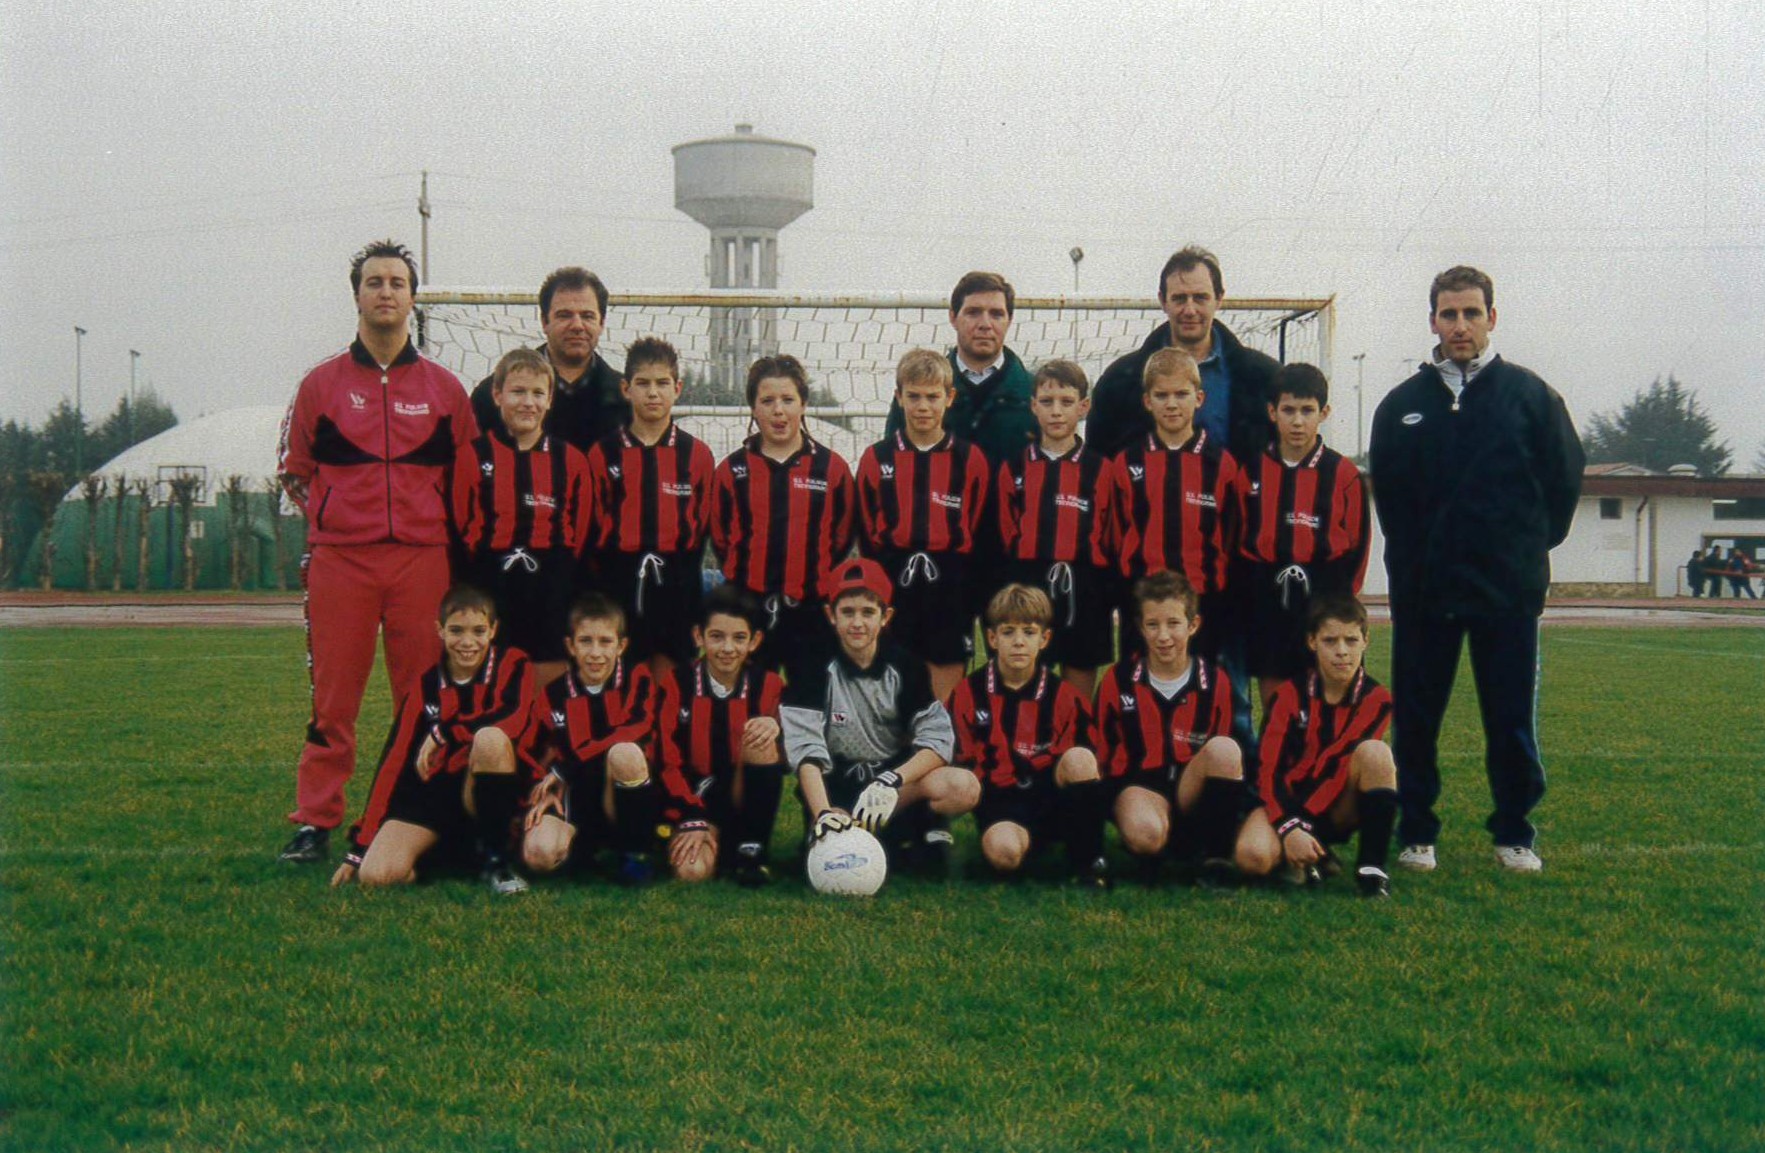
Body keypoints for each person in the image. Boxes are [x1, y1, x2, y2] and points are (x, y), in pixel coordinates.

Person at [1369, 265, 1584, 874]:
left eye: (1471, 313)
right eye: (1449, 314)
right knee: (1416, 721)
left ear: (1492, 317)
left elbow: (1563, 483)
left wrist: (1522, 553)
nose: (1460, 325)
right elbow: (1391, 497)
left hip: (1506, 594)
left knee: (1510, 721)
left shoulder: (1532, 398)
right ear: (1432, 320)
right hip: (1426, 593)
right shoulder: (1402, 406)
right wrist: (1418, 562)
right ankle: (1416, 832)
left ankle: (1514, 832)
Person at [276, 239, 478, 865]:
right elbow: (295, 471)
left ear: (414, 299)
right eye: (374, 282)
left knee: (421, 699)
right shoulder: (320, 385)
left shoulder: (445, 389)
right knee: (333, 702)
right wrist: (338, 522)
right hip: (342, 562)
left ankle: (411, 814)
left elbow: (467, 481)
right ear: (357, 296)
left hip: (422, 561)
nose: (385, 292)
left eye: (397, 282)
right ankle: (315, 822)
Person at [330, 585, 540, 895]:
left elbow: (513, 717)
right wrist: (360, 847)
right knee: (376, 875)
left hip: (477, 787)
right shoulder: (426, 685)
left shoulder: (513, 664)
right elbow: (393, 761)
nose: (467, 642)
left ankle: (497, 862)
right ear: (440, 630)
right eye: (456, 630)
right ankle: (446, 853)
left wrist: (444, 733)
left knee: (491, 738)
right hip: (432, 795)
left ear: (493, 630)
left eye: (478, 630)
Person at [779, 557, 979, 873]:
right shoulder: (811, 667)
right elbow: (806, 752)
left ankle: (925, 828)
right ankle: (839, 829)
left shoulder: (906, 666)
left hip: (890, 792)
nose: (857, 623)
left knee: (962, 785)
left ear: (886, 617)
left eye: (868, 612)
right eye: (848, 612)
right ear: (831, 615)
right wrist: (823, 812)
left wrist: (891, 780)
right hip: (835, 791)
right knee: (836, 855)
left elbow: (939, 739)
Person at [1233, 596, 1398, 898]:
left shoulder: (1377, 699)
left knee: (1376, 755)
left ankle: (1371, 869)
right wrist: (1289, 824)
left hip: (1337, 804)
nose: (1341, 651)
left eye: (1351, 640)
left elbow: (1338, 766)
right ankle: (1308, 858)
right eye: (1330, 641)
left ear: (1365, 641)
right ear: (1312, 642)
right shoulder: (1288, 696)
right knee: (1252, 857)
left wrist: (1303, 826)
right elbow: (1268, 771)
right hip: (1286, 800)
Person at [947, 584, 1110, 888]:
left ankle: (1088, 862)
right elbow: (962, 761)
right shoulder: (968, 694)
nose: (1019, 642)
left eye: (1029, 632)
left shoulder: (1064, 696)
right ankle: (1017, 844)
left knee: (1080, 758)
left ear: (1044, 639)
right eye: (1008, 632)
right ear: (992, 638)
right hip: (1001, 803)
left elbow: (1090, 767)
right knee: (1004, 855)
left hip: (1051, 798)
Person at [1092, 571, 1247, 881]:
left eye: (1173, 623)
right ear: (1140, 627)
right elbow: (1099, 749)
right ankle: (1153, 844)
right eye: (1153, 625)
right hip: (1138, 785)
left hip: (1190, 786)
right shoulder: (1118, 680)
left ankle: (1215, 859)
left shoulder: (1215, 681)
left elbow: (1223, 757)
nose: (1163, 636)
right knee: (1147, 835)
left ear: (1193, 625)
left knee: (1226, 750)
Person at [856, 349, 990, 703]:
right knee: (892, 683)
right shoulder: (876, 458)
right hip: (893, 579)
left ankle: (941, 736)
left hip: (950, 583)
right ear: (899, 397)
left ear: (949, 398)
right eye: (914, 396)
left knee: (944, 686)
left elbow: (978, 525)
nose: (923, 407)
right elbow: (867, 531)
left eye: (932, 397)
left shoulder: (970, 460)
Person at [1233, 362, 1369, 712]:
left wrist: (1342, 605)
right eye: (1288, 410)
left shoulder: (1343, 474)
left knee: (1327, 704)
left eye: (1307, 411)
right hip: (1269, 602)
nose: (1297, 421)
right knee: (1278, 705)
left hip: (1324, 598)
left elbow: (1358, 547)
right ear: (1272, 412)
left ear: (1324, 413)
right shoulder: (1250, 471)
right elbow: (1237, 540)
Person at [710, 355, 856, 674]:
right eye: (767, 401)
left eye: (788, 400)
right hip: (746, 612)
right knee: (749, 699)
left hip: (812, 612)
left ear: (803, 404)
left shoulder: (832, 469)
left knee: (809, 699)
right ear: (753, 407)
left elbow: (842, 536)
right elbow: (721, 538)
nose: (778, 410)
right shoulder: (732, 471)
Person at [456, 348, 593, 685]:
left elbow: (581, 531)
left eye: (537, 393)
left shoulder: (571, 461)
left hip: (551, 583)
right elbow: (462, 525)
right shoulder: (473, 456)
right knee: (493, 682)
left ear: (549, 400)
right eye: (518, 392)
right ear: (497, 395)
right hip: (491, 581)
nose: (528, 402)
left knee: (549, 680)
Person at [584, 337, 716, 678]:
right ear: (626, 389)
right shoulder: (603, 453)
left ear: (678, 389)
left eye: (662, 383)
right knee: (622, 679)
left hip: (677, 583)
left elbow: (702, 525)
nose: (653, 393)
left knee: (672, 681)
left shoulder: (697, 455)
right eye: (643, 383)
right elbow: (592, 524)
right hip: (619, 582)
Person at [1106, 349, 1242, 668]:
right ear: (1147, 401)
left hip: (1203, 600)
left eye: (1181, 394)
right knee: (1139, 685)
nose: (1171, 404)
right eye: (1161, 395)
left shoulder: (1221, 465)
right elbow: (1116, 533)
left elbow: (1232, 535)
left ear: (1199, 398)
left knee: (1201, 685)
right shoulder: (1127, 463)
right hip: (1141, 599)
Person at [1087, 246, 1279, 465]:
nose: (1189, 310)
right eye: (1179, 298)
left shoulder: (1265, 378)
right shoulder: (1119, 380)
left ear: (1219, 299)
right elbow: (1097, 464)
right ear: (1163, 301)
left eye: (1200, 298)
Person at [520, 593, 662, 884]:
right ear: (571, 646)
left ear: (621, 646)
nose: (595, 652)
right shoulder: (552, 695)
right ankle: (583, 848)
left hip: (618, 795)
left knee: (625, 752)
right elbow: (528, 750)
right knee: (538, 855)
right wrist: (542, 789)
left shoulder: (638, 682)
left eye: (605, 642)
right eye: (586, 641)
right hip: (573, 796)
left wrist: (568, 767)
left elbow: (639, 727)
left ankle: (635, 854)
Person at [997, 359, 1116, 700]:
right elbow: (1006, 531)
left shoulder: (1101, 470)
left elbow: (1112, 532)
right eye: (1047, 402)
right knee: (1029, 680)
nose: (1056, 411)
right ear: (1033, 406)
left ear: (1083, 407)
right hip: (1030, 580)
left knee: (1078, 678)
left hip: (1084, 584)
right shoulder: (1015, 467)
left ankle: (1077, 729)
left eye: (1066, 402)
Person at [653, 585, 787, 886]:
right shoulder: (677, 684)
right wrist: (690, 814)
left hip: (741, 799)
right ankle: (708, 844)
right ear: (698, 637)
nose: (727, 648)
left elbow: (786, 760)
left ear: (754, 641)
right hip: (693, 801)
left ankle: (752, 850)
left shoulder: (769, 685)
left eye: (739, 638)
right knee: (692, 873)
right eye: (717, 636)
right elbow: (665, 760)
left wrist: (776, 727)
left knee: (761, 736)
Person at [883, 271, 1037, 468]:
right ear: (953, 318)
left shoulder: (1035, 394)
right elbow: (892, 463)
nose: (985, 324)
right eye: (973, 312)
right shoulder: (917, 391)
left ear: (1010, 320)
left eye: (996, 314)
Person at [469, 266, 628, 450]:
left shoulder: (627, 398)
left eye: (587, 316)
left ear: (601, 323)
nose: (577, 325)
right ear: (544, 321)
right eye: (564, 315)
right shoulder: (492, 394)